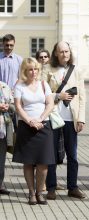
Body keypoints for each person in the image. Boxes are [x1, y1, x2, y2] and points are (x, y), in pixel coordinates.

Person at [46, 41, 86, 200]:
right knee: (51, 155)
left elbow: (82, 97)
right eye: (61, 51)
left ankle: (73, 187)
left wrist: (81, 119)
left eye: (67, 51)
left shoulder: (77, 71)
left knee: (73, 155)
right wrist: (58, 96)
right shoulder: (48, 70)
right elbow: (43, 94)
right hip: (53, 116)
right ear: (56, 53)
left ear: (70, 53)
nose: (64, 54)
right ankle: (51, 187)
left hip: (71, 118)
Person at [12, 57, 55, 205]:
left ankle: (39, 193)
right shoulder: (19, 86)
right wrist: (30, 121)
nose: (33, 72)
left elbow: (50, 104)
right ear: (24, 70)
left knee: (44, 163)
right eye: (30, 69)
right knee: (28, 162)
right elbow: (18, 107)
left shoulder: (44, 84)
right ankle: (31, 192)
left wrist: (41, 118)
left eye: (36, 69)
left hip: (44, 126)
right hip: (26, 126)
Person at [0, 81, 15, 195]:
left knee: (1, 159)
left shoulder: (4, 86)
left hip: (4, 129)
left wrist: (8, 106)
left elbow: (14, 106)